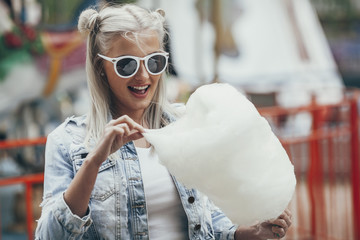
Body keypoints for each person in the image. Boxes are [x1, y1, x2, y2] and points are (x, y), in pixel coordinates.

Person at [35, 3, 292, 239]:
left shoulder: (185, 124)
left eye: (154, 61)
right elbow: (49, 235)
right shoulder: (68, 141)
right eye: (127, 65)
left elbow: (207, 218)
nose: (143, 75)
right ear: (101, 66)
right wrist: (93, 162)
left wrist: (248, 232)